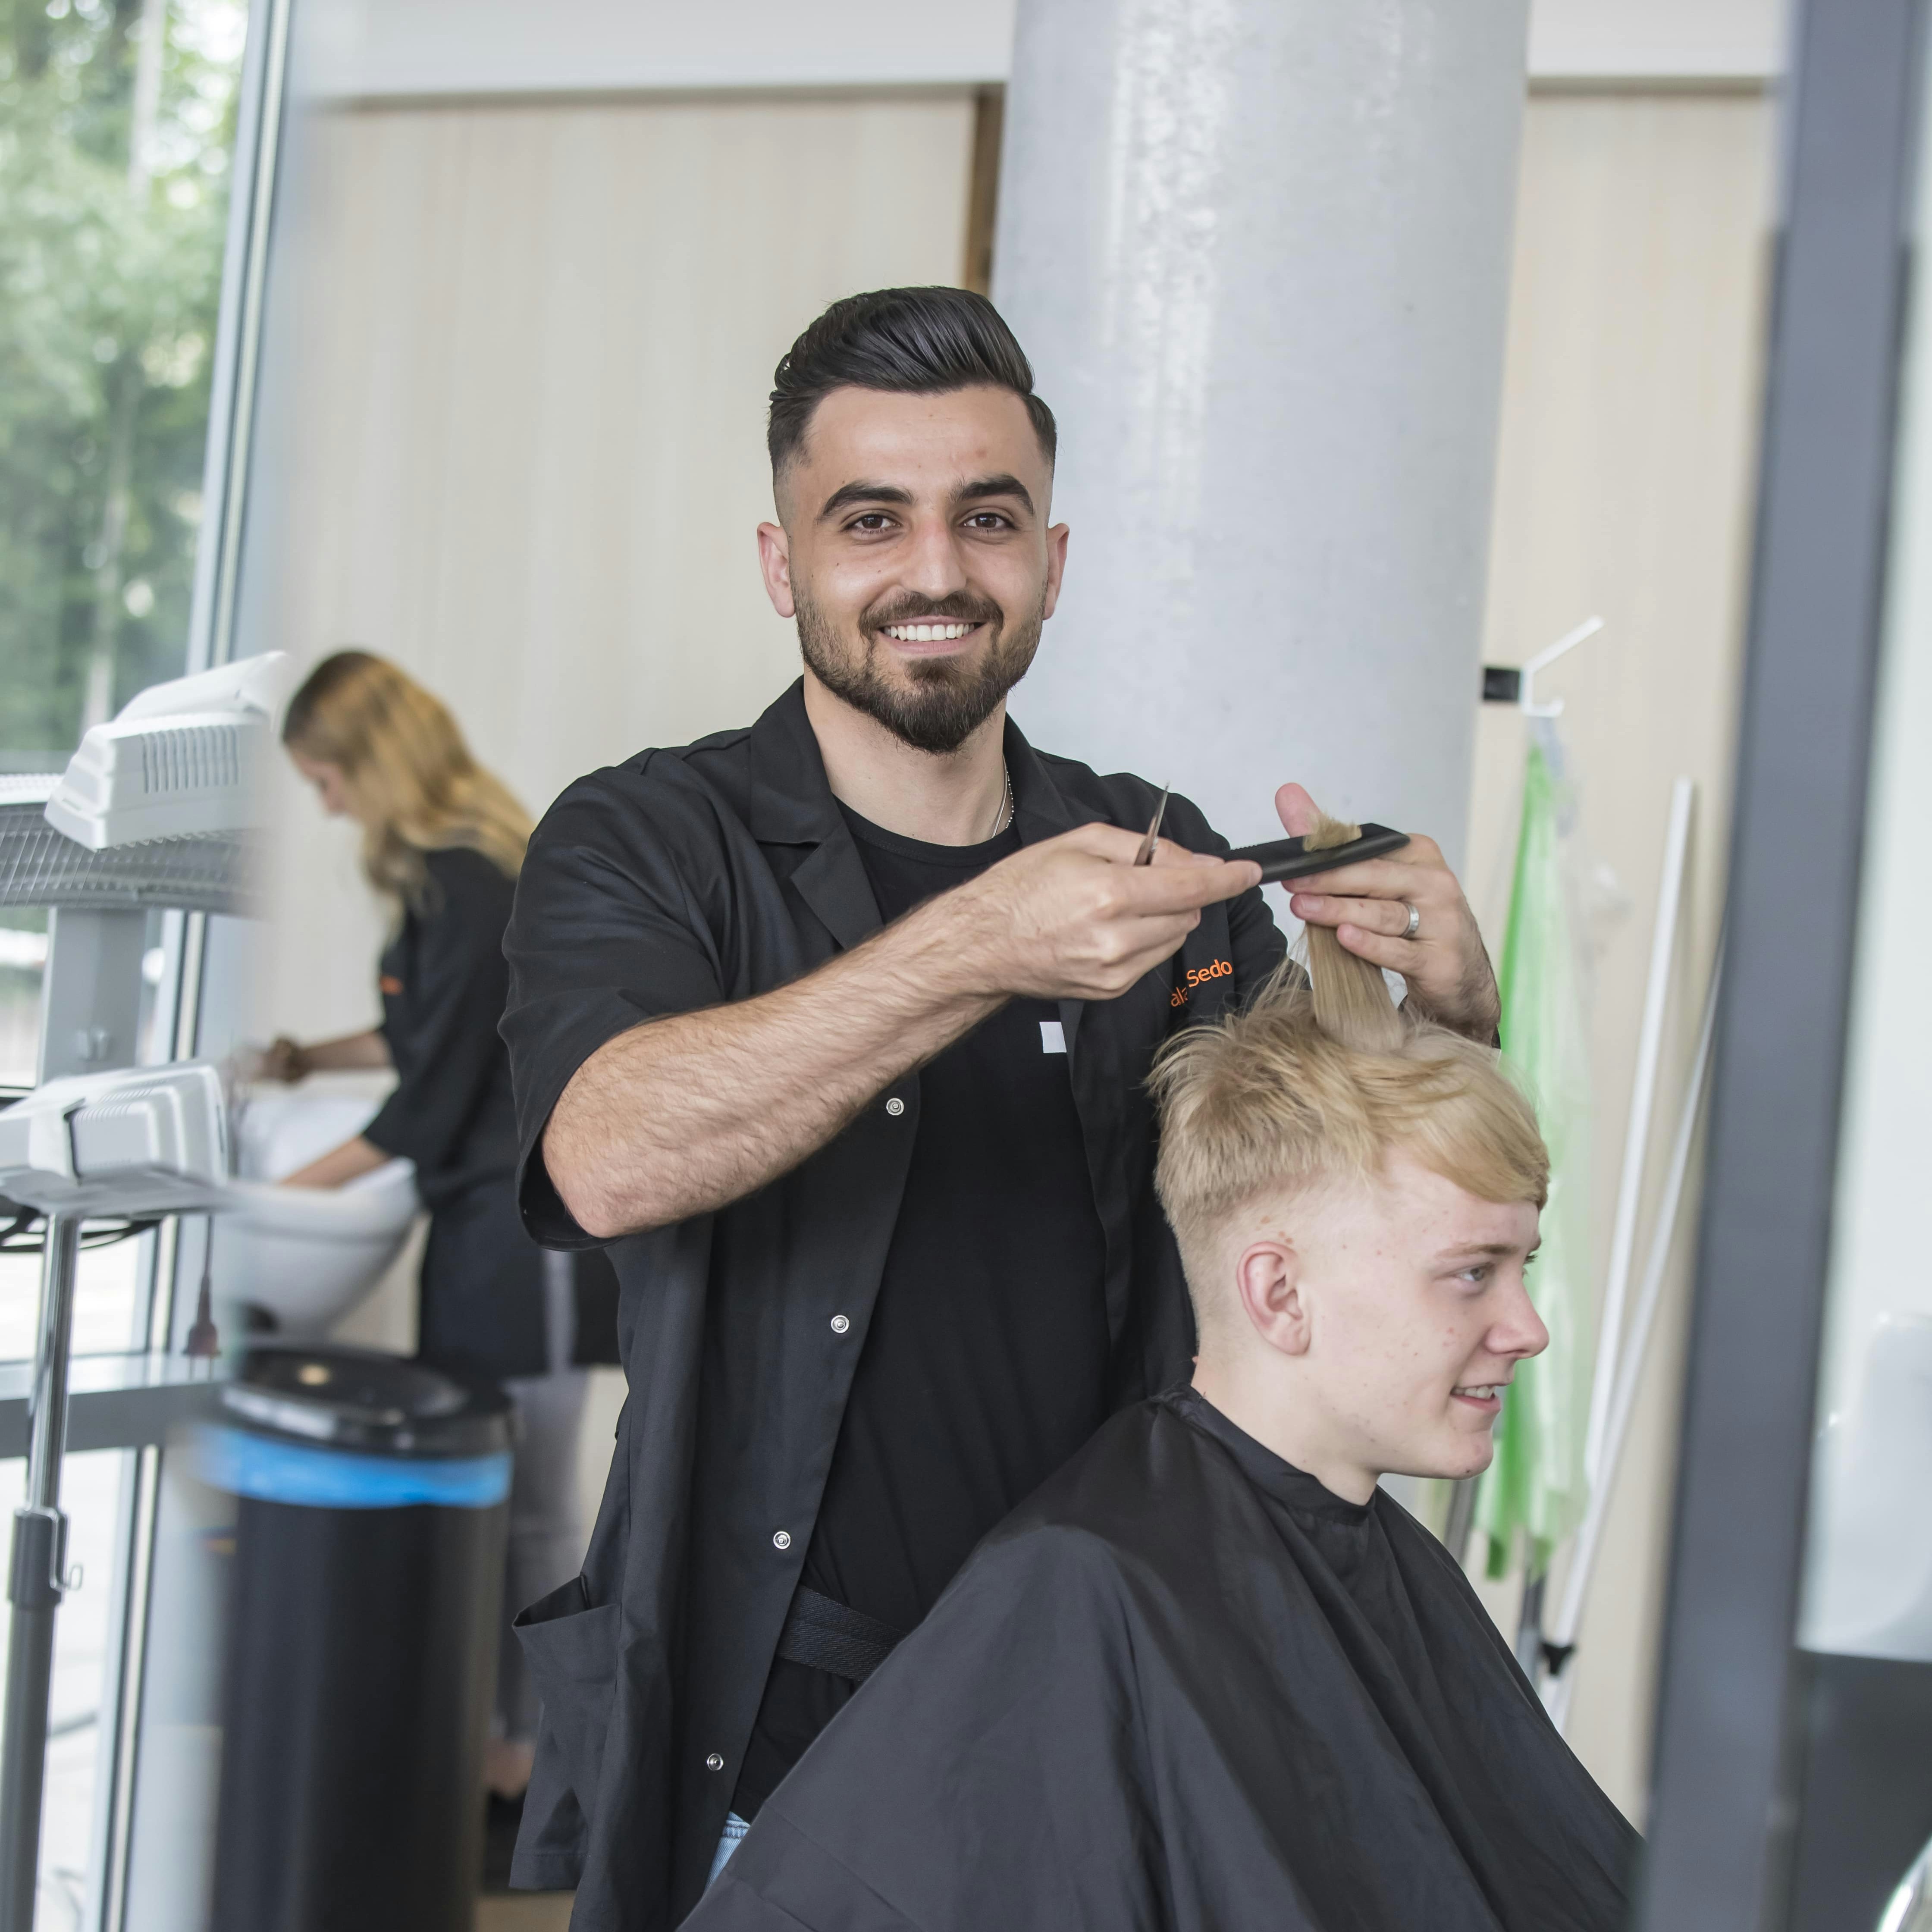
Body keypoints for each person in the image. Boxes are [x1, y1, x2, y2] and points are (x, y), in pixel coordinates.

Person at [499, 287, 1503, 1925]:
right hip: (777, 1742)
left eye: (989, 518)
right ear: (783, 565)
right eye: (869, 520)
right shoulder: (646, 841)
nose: (936, 572)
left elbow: (1334, 1250)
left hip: (1101, 1715)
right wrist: (973, 945)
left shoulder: (1155, 861)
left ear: (1051, 558)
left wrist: (1450, 1009)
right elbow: (609, 1157)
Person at [681, 850, 1638, 1930]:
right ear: (1278, 1293)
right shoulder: (1086, 1588)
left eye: (1523, 1267)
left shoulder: (1368, 1558)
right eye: (1472, 1270)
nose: (1527, 1328)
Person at [262, 650, 619, 1879]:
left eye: (326, 779)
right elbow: (425, 1030)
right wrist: (310, 1056)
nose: (325, 806)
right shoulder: (437, 888)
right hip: (478, 1244)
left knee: (527, 1525)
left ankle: (541, 1786)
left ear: (370, 763)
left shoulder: (474, 886)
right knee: (496, 1517)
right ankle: (509, 1762)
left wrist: (262, 1198)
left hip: (534, 1252)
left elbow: (428, 1103)